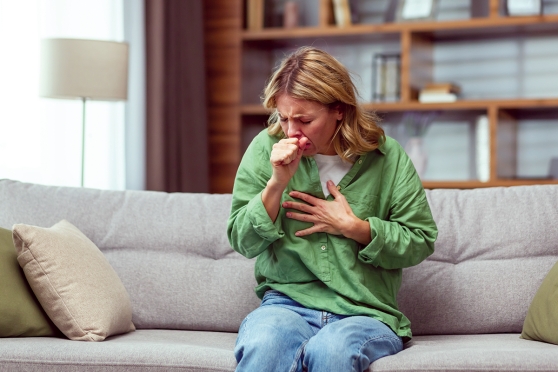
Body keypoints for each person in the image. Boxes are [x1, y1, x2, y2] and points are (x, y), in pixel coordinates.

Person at [227, 46, 438, 372]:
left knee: (332, 350)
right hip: (286, 305)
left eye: (305, 120)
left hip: (364, 311)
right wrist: (277, 183)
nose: (291, 132)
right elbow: (242, 240)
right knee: (264, 345)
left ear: (339, 109)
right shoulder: (264, 148)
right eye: (284, 118)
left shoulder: (388, 158)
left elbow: (420, 239)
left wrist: (356, 228)